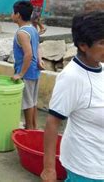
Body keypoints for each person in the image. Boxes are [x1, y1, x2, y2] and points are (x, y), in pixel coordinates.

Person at [41, 11, 104, 182]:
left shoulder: (100, 67)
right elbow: (52, 122)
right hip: (88, 169)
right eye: (102, 43)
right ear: (83, 45)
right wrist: (49, 169)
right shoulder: (72, 78)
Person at [11, 0, 41, 130]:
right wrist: (39, 61)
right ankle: (33, 126)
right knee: (32, 101)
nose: (11, 15)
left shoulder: (22, 33)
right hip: (34, 70)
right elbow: (37, 47)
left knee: (27, 103)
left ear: (18, 15)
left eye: (13, 12)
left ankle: (29, 129)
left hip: (27, 72)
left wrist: (20, 74)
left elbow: (28, 54)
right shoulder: (33, 29)